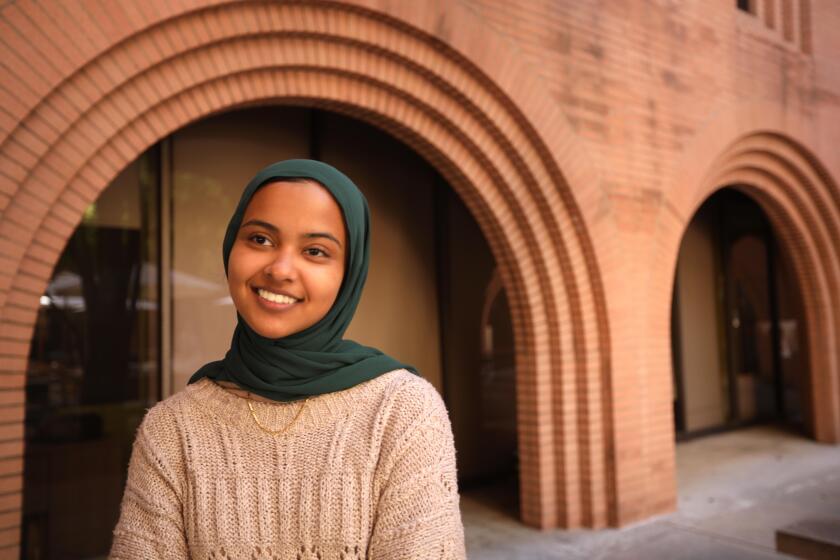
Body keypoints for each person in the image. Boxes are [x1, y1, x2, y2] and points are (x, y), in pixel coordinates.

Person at [109, 160, 466, 559]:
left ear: (349, 274)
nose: (280, 269)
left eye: (315, 251)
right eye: (260, 239)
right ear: (231, 247)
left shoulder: (402, 414)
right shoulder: (171, 431)